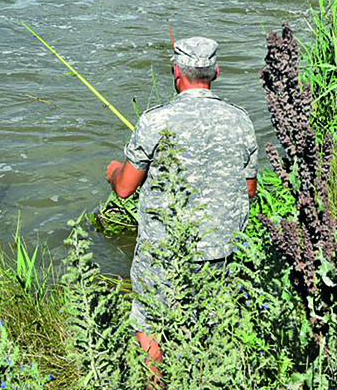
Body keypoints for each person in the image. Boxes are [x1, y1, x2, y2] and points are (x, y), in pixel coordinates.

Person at [104, 36, 258, 374]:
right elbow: (249, 191)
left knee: (149, 321)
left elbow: (126, 189)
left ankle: (154, 382)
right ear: (215, 72)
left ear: (176, 72)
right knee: (213, 320)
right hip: (222, 247)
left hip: (165, 250)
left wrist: (113, 171)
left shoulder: (155, 120)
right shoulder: (241, 121)